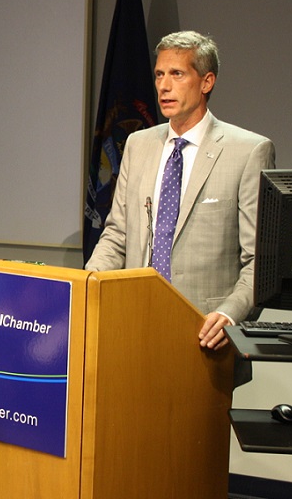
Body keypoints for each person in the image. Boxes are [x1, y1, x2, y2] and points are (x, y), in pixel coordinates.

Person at [86, 30, 275, 351]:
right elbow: (117, 234)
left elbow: (260, 261)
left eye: (177, 74)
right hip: (134, 326)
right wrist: (87, 282)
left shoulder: (248, 151)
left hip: (204, 333)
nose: (163, 85)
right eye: (159, 74)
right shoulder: (138, 144)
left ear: (206, 82)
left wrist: (229, 315)